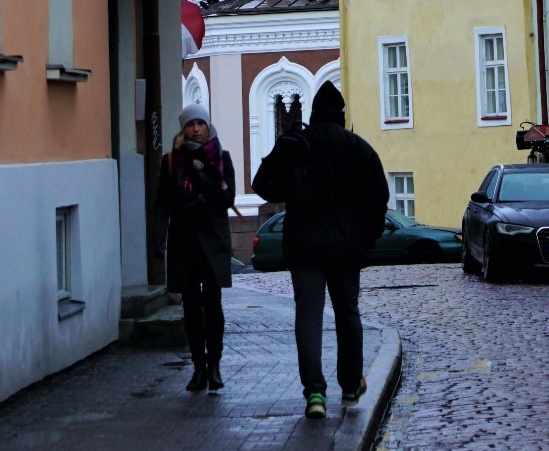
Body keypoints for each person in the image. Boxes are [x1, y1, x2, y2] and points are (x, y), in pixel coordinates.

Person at [252, 81, 388, 419]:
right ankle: (351, 387)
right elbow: (378, 199)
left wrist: (292, 187)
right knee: (348, 315)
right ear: (342, 115)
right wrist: (366, 240)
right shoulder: (359, 148)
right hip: (346, 247)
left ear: (313, 112)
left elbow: (261, 185)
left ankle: (314, 393)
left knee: (308, 316)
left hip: (304, 245)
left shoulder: (298, 144)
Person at [155, 102, 236, 393]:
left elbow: (226, 200)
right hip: (184, 242)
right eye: (191, 125)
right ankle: (198, 367)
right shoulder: (171, 162)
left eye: (200, 124)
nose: (196, 129)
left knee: (213, 305)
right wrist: (158, 236)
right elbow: (163, 202)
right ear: (184, 129)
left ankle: (214, 365)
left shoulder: (222, 158)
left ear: (207, 126)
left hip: (213, 243)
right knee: (190, 307)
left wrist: (202, 176)